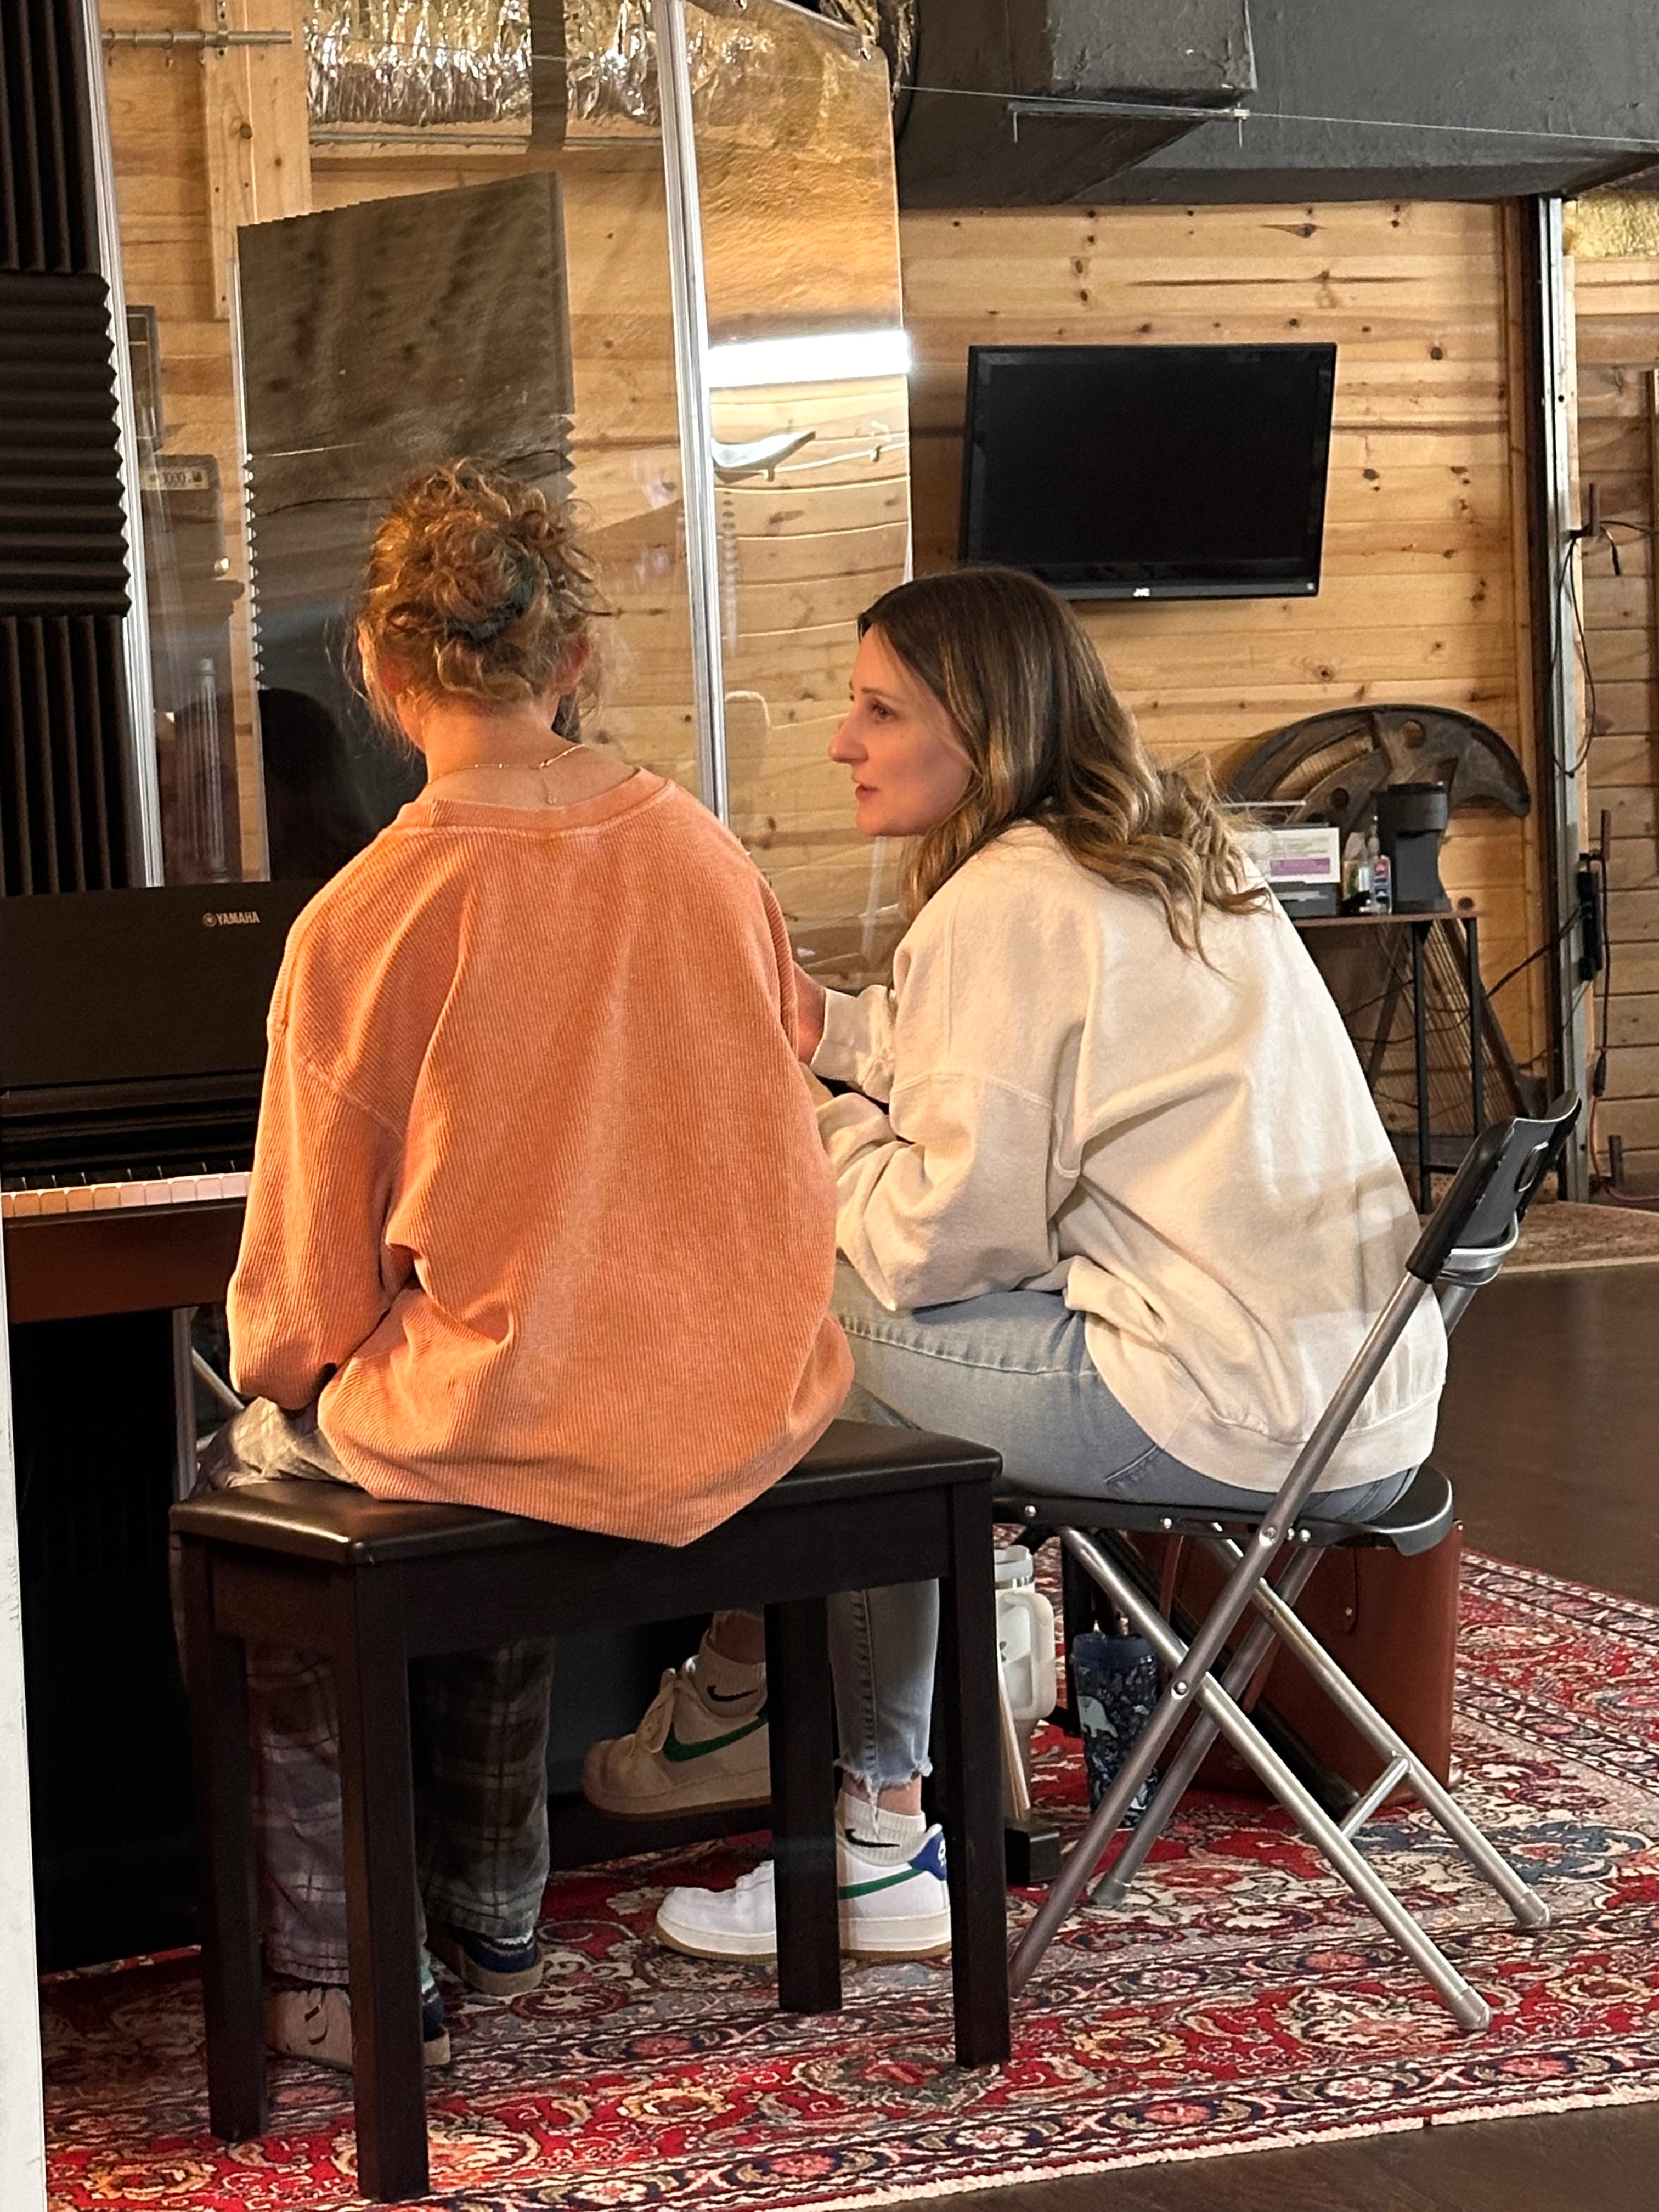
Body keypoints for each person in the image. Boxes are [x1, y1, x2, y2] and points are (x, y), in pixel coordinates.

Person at [620, 566, 1449, 1961]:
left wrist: (804, 1124)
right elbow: (996, 1070)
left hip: (1223, 1406)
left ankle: (859, 1818)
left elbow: (935, 1244)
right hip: (1366, 1406)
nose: (842, 742)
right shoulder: (1169, 852)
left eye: (879, 710)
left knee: (831, 1321)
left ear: (986, 730)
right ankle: (743, 1690)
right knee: (866, 1326)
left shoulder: (1004, 901)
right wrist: (822, 1028)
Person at [204, 459, 852, 2068]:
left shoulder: (362, 918)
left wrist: (287, 1379)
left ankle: (349, 1972)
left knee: (282, 1460)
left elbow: (299, 1300)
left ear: (378, 667)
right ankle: (496, 1904)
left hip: (536, 1412)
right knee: (482, 1395)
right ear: (571, 657)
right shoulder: (709, 854)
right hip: (738, 1400)